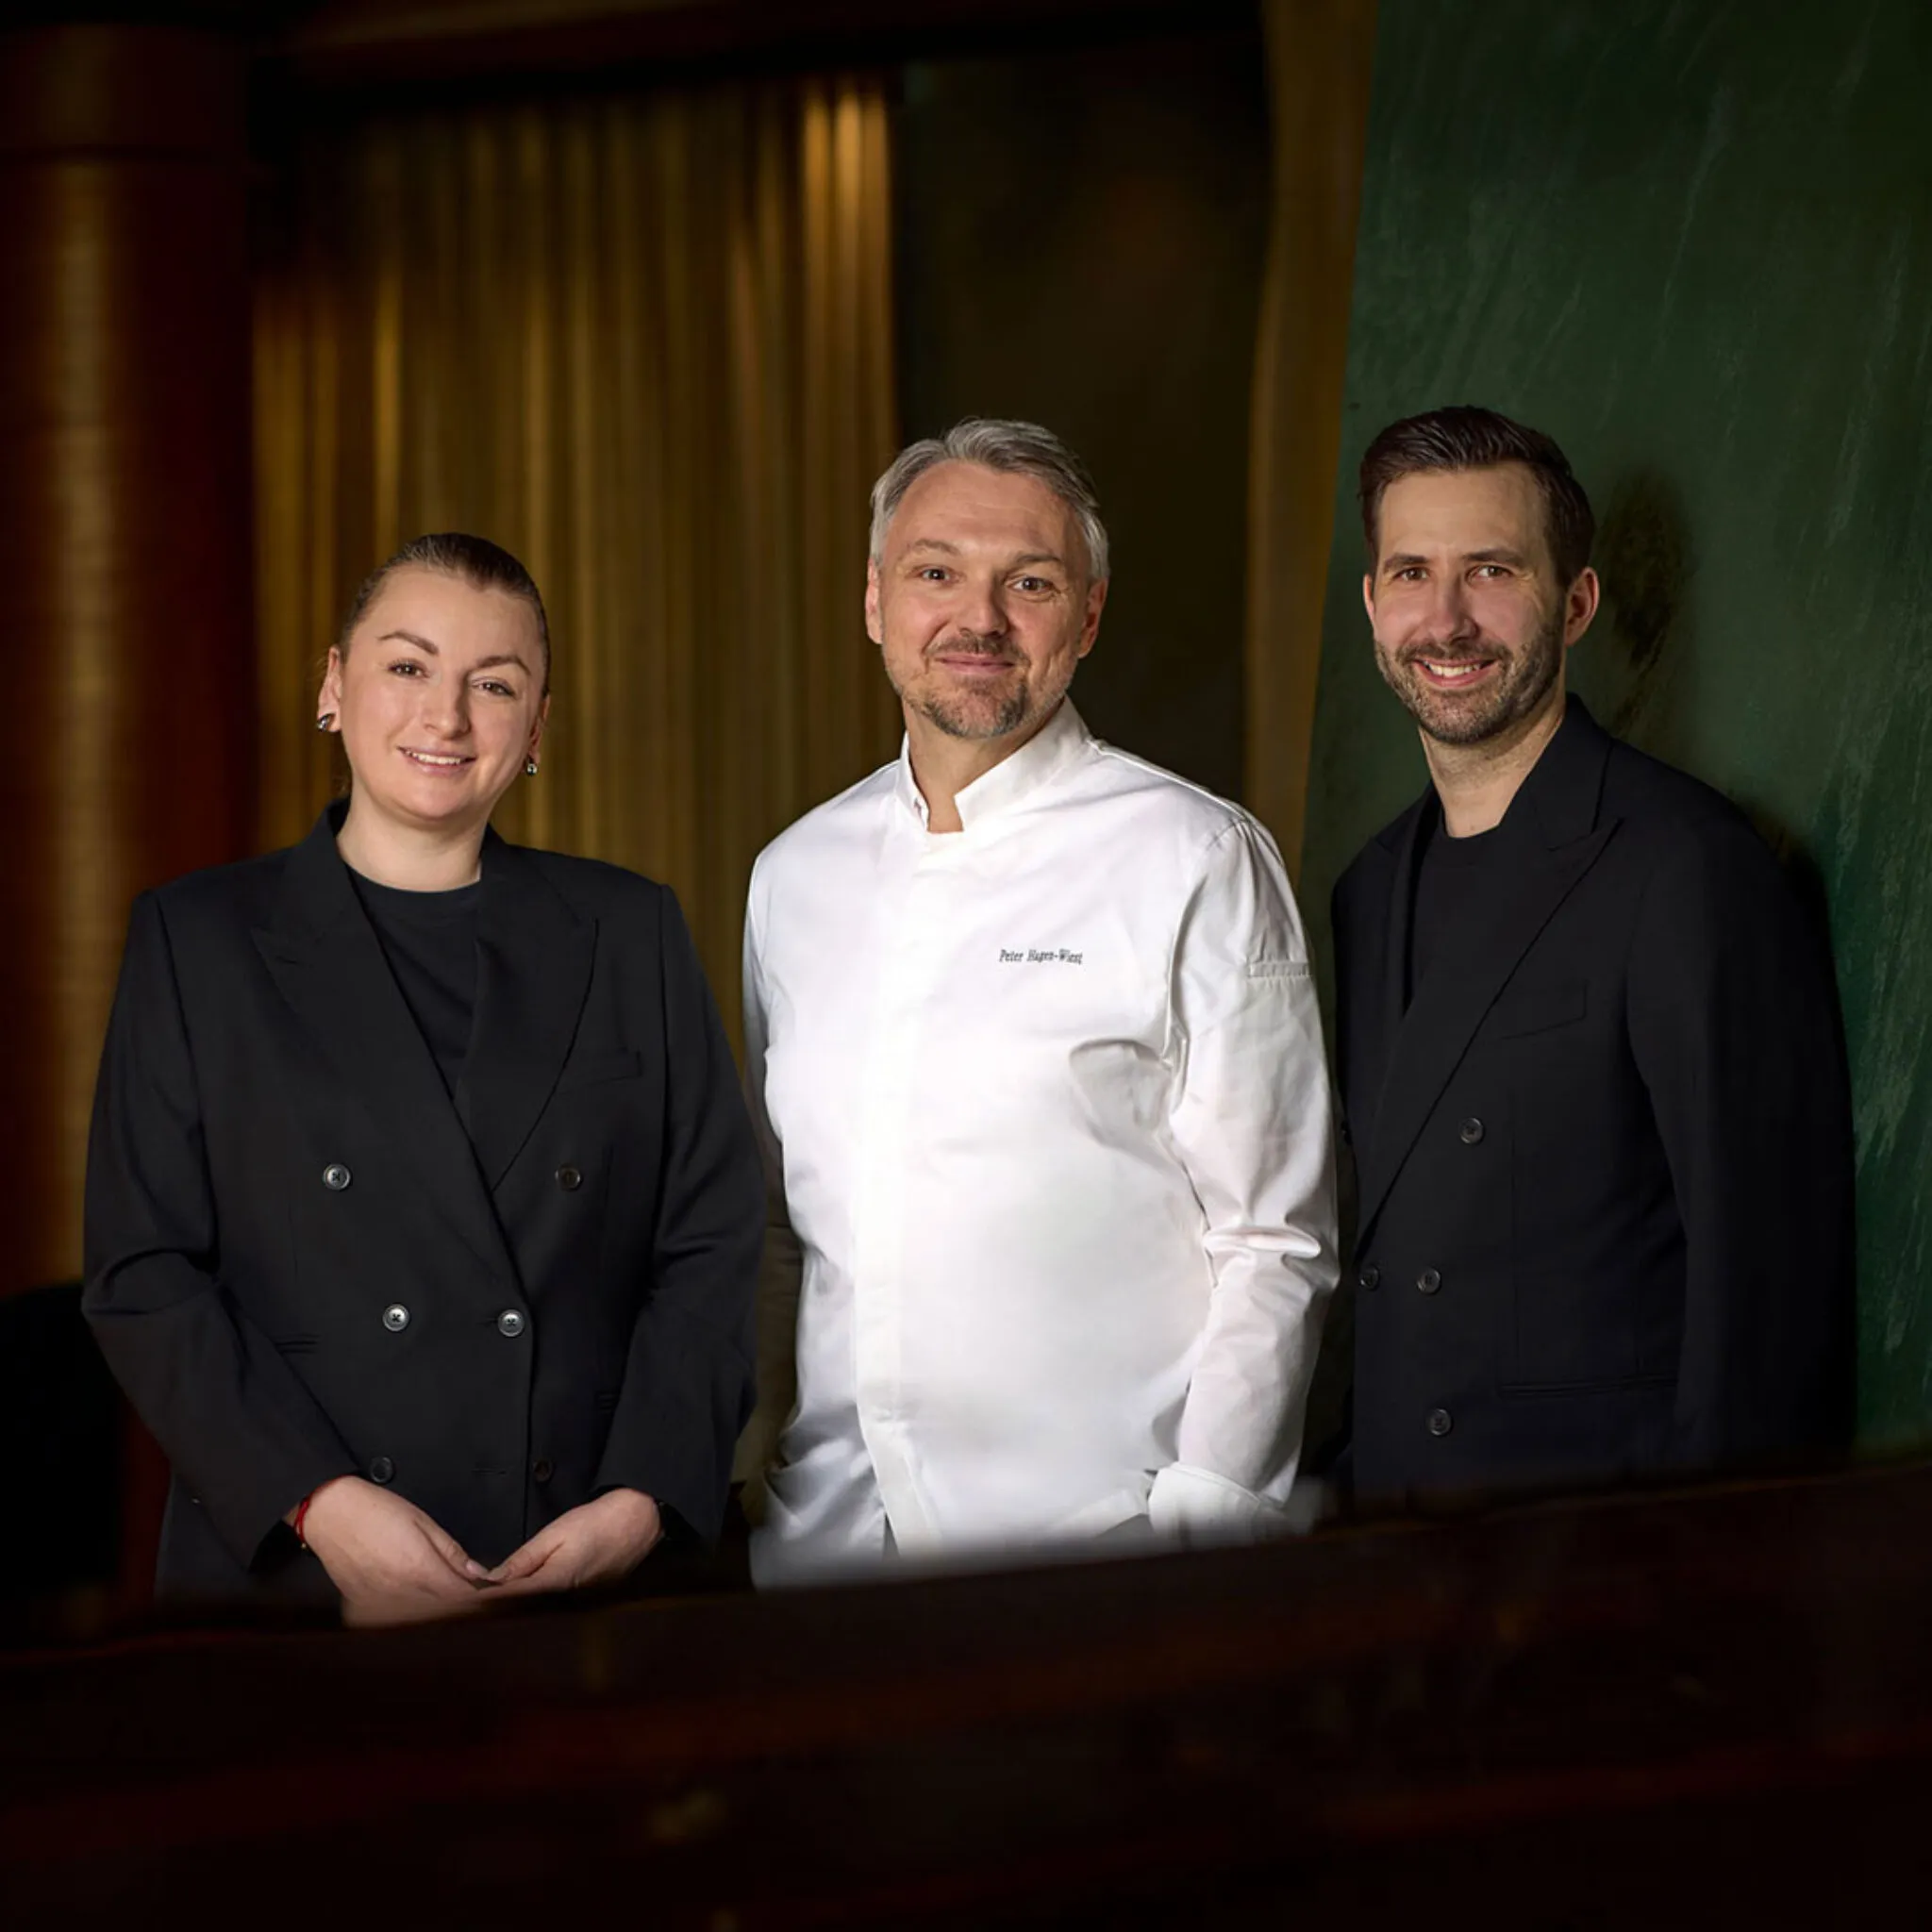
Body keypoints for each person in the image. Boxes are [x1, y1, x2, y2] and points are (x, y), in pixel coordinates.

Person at [84, 534, 761, 1624]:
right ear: (332, 686)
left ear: (535, 727)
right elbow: (144, 1271)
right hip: (297, 1573)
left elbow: (713, 1242)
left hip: (577, 1559)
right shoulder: (197, 938)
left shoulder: (628, 928)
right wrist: (319, 1504)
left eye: (493, 684)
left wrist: (638, 1500)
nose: (444, 716)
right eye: (407, 665)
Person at [739, 418, 1339, 1584]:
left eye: (1029, 582)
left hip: (1098, 1557)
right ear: (873, 600)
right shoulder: (793, 875)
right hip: (827, 1551)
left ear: (1089, 615)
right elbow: (783, 1223)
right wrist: (761, 1465)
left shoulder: (1194, 854)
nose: (979, 618)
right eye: (935, 573)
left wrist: (1200, 1532)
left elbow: (1275, 1236)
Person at [1330, 406, 1854, 1502]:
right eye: (1413, 573)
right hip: (1396, 1539)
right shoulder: (1364, 893)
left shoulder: (1684, 862)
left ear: (1574, 603)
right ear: (1373, 604)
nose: (1446, 619)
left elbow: (1761, 1291)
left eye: (1490, 570)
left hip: (1596, 1543)